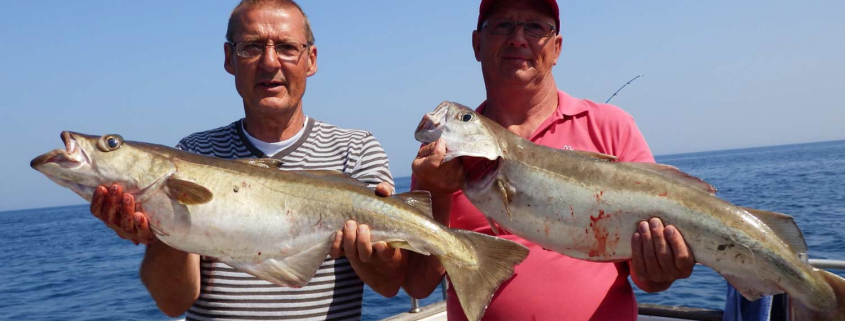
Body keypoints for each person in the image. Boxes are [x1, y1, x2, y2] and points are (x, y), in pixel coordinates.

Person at [88, 1, 405, 320]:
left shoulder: (356, 148)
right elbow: (173, 303)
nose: (270, 63)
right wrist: (163, 224)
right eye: (251, 47)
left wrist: (373, 254)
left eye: (287, 47)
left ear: (310, 60)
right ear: (229, 59)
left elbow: (390, 285)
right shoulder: (193, 152)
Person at [403, 0, 696, 320]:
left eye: (536, 27)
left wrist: (660, 266)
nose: (518, 38)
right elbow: (418, 284)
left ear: (556, 48)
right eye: (502, 25)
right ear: (477, 43)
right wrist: (439, 193)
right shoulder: (445, 153)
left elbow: (649, 279)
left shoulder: (612, 127)